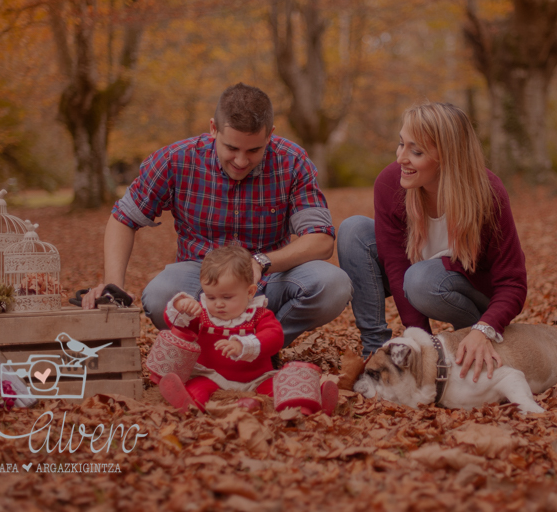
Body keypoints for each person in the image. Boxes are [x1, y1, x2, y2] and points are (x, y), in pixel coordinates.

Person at [82, 83, 352, 347]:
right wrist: (113, 287)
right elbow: (123, 218)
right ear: (213, 128)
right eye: (232, 148)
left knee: (334, 285)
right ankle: (211, 352)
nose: (241, 161)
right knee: (158, 296)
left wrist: (260, 262)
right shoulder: (175, 159)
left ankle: (261, 346)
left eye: (254, 150)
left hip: (268, 278)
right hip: (201, 280)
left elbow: (321, 239)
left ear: (270, 134)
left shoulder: (292, 161)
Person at [337, 102, 527, 382]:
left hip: (468, 291)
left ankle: (470, 337)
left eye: (416, 152)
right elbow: (396, 267)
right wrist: (420, 347)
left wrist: (484, 328)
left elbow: (513, 283)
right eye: (401, 144)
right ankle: (375, 349)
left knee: (421, 280)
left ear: (448, 157)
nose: (401, 158)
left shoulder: (488, 194)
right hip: (417, 280)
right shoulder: (391, 183)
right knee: (353, 230)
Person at [156, 246, 283, 411]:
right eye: (211, 297)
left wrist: (243, 345)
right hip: (211, 376)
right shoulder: (203, 314)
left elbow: (275, 337)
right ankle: (190, 405)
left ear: (250, 292)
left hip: (256, 378)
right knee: (198, 387)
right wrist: (181, 306)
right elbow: (179, 325)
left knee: (276, 387)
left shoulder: (258, 315)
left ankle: (295, 404)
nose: (218, 304)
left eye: (227, 297)